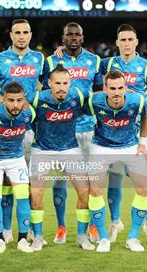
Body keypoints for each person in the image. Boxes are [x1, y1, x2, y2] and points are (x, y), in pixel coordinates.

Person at [98, 24, 147, 244]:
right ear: (117, 43)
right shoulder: (107, 65)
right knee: (114, 179)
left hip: (142, 132)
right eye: (122, 40)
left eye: (130, 39)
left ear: (136, 41)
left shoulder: (146, 67)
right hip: (114, 132)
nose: (126, 43)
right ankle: (115, 222)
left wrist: (137, 110)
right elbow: (86, 79)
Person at [0, 18, 44, 243]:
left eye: (26, 32)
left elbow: (47, 86)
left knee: (27, 182)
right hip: (3, 130)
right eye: (17, 32)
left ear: (31, 35)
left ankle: (29, 229)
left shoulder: (40, 58)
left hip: (30, 129)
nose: (22, 36)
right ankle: (7, 230)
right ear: (10, 35)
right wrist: (1, 102)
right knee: (4, 182)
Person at [84, 70, 147, 252]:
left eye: (120, 88)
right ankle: (103, 237)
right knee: (95, 189)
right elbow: (76, 112)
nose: (116, 92)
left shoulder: (137, 101)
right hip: (101, 147)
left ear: (126, 88)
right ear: (104, 88)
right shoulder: (93, 101)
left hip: (129, 146)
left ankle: (133, 237)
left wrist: (142, 143)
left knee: (143, 188)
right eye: (112, 88)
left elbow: (146, 116)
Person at [46, 22, 102, 244]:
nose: (73, 37)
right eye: (69, 34)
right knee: (59, 181)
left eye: (77, 34)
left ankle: (90, 228)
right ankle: (61, 227)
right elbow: (45, 89)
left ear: (82, 36)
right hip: (61, 131)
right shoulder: (51, 61)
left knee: (88, 182)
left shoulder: (94, 61)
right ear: (63, 37)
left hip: (88, 129)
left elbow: (99, 91)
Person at [29, 65, 94, 252]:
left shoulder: (78, 96)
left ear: (70, 83)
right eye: (57, 83)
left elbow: (99, 101)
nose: (61, 87)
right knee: (36, 195)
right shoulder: (36, 98)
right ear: (49, 83)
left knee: (84, 192)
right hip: (42, 150)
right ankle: (38, 237)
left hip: (70, 150)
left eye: (65, 83)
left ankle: (81, 236)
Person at [0, 81, 35, 254]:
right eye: (11, 100)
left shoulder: (28, 114)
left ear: (24, 99)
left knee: (23, 197)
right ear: (4, 99)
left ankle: (22, 240)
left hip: (16, 160)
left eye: (19, 100)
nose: (15, 105)